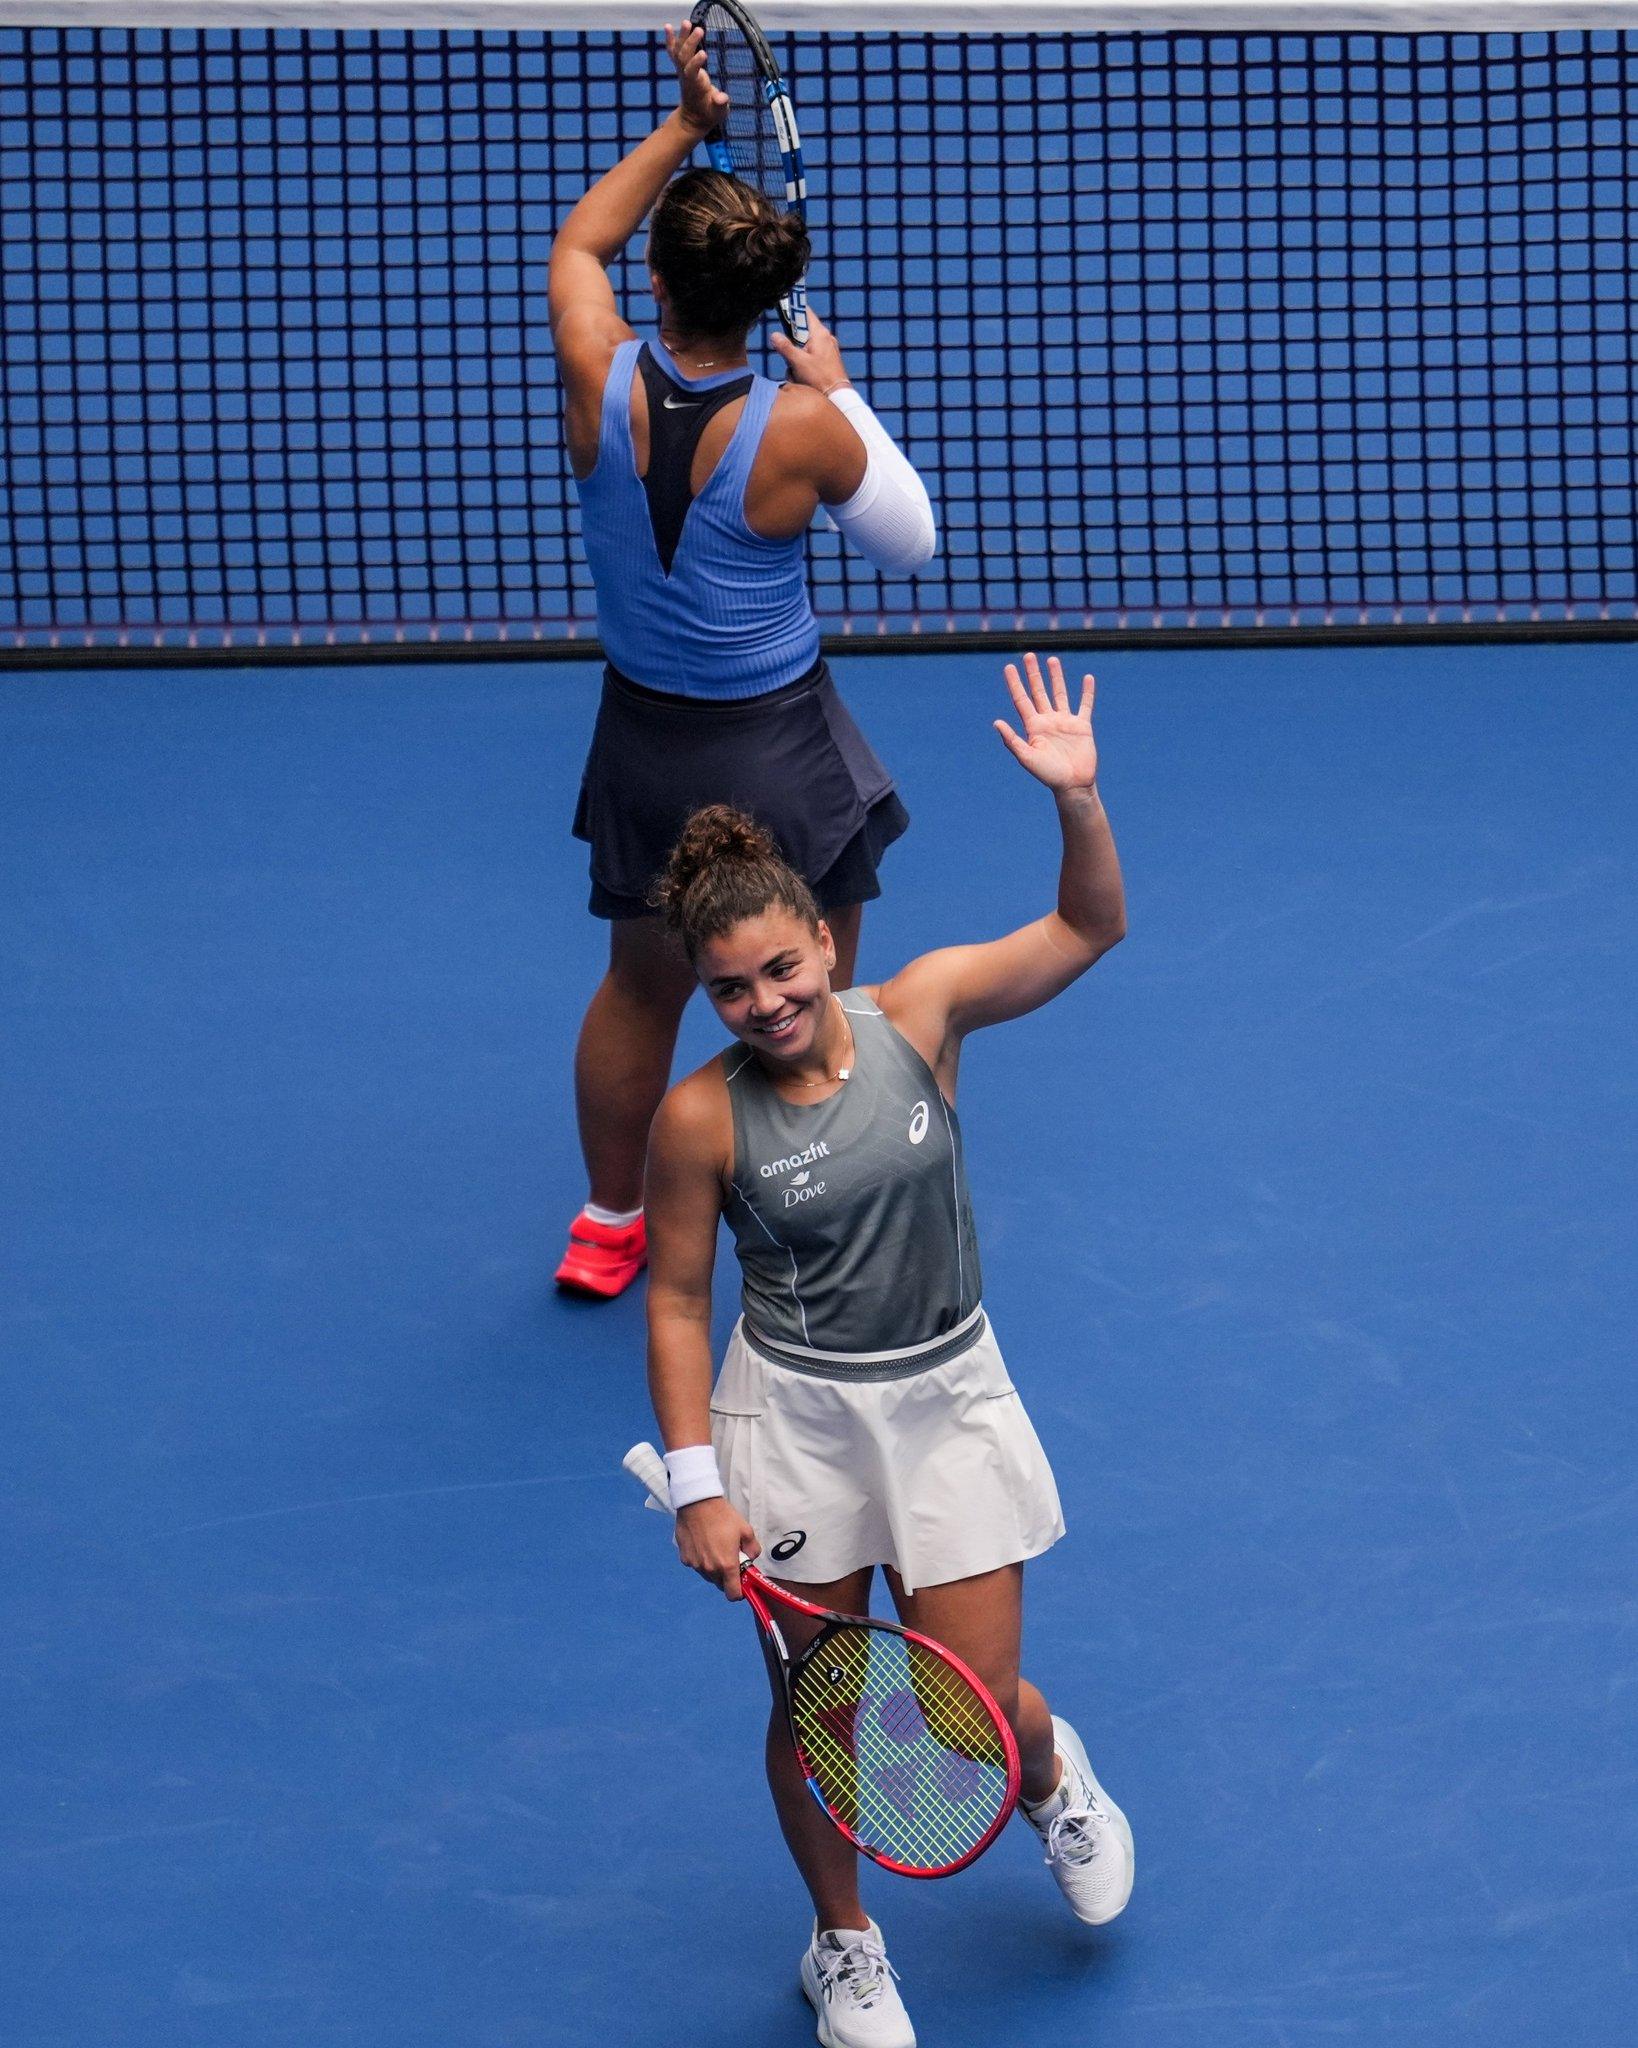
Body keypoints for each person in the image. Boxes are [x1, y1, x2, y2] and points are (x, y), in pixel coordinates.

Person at [644, 653, 1134, 2048]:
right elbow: (677, 1301)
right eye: (731, 989)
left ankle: (1050, 1781)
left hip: (944, 1401)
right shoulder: (698, 1122)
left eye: (783, 968)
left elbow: (1086, 928)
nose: (766, 1003)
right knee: (825, 1705)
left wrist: (1078, 800)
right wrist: (698, 1483)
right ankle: (842, 1944)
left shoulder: (920, 1012)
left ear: (823, 941)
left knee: (973, 1717)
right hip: (791, 1422)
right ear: (709, 994)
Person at [547, 23, 936, 1297]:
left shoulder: (593, 361)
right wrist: (842, 389)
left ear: (655, 282)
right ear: (762, 296)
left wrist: (683, 126)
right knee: (806, 985)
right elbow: (911, 542)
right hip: (776, 751)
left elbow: (576, 242)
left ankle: (612, 1224)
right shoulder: (806, 431)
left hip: (645, 743)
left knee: (640, 983)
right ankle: (805, 1207)